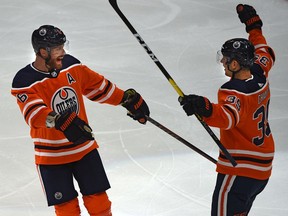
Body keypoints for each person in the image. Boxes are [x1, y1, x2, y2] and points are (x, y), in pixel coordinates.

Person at [11, 25, 150, 216]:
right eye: (58, 48)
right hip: (52, 157)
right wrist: (59, 120)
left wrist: (125, 99)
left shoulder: (72, 66)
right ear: (43, 51)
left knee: (99, 203)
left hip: (83, 148)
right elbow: (34, 114)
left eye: (63, 46)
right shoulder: (24, 81)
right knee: (67, 210)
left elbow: (98, 87)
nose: (63, 52)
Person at [179, 4, 275, 216]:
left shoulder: (233, 90)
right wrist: (254, 27)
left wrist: (203, 106)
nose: (222, 62)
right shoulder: (260, 72)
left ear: (236, 64)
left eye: (226, 58)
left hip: (239, 170)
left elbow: (227, 117)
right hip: (261, 171)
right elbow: (263, 50)